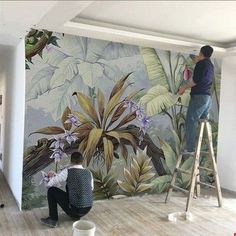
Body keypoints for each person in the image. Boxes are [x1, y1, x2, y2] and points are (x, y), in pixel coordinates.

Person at [40, 152, 94, 228]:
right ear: (82, 161)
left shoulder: (68, 171)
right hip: (87, 209)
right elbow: (91, 189)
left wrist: (50, 177)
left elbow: (49, 184)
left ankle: (53, 219)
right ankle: (76, 216)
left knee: (51, 190)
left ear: (71, 161)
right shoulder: (88, 173)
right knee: (71, 186)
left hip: (75, 210)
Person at [178, 45, 214, 153]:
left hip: (198, 97)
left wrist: (183, 88)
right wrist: (193, 57)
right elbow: (201, 72)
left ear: (201, 53)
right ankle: (206, 148)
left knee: (190, 121)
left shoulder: (201, 64)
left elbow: (195, 81)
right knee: (203, 121)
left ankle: (190, 149)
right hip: (207, 98)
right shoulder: (210, 65)